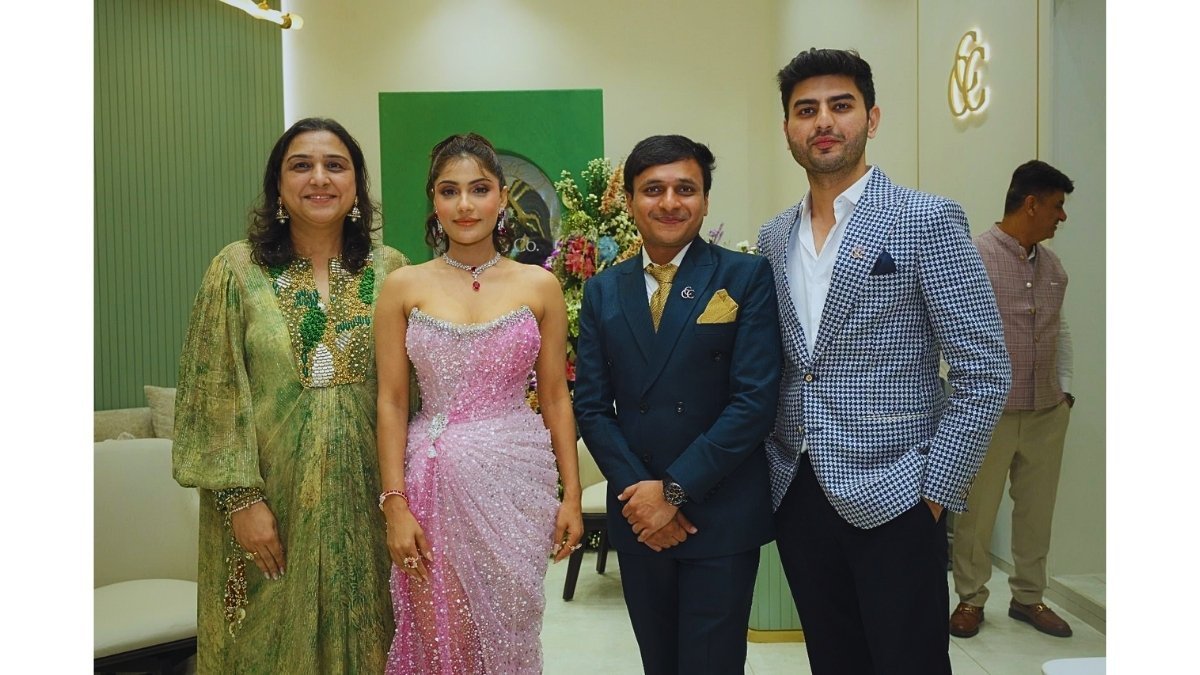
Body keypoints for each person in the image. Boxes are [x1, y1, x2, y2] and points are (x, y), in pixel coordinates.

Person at [756, 49, 1011, 674]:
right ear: (787, 129)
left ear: (871, 118)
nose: (823, 121)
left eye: (840, 106)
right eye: (806, 110)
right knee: (833, 659)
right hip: (799, 488)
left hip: (900, 490)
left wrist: (935, 491)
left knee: (909, 661)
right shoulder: (773, 236)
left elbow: (983, 369)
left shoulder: (926, 219)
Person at [172, 117, 408, 673]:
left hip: (370, 503)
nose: (319, 178)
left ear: (357, 186)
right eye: (301, 166)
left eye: (335, 166)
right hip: (268, 507)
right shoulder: (236, 270)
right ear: (278, 186)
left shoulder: (393, 271)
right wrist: (241, 501)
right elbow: (211, 394)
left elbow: (414, 392)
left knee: (372, 639)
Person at [374, 132, 584, 674]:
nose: (465, 205)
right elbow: (392, 401)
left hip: (516, 480)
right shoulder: (402, 286)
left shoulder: (539, 285)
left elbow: (555, 396)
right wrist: (394, 504)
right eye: (450, 191)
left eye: (480, 189)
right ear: (434, 201)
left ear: (502, 197)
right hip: (431, 482)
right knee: (440, 633)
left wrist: (572, 495)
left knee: (510, 627)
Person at [574, 134, 782, 674]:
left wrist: (672, 492)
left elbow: (754, 401)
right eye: (653, 189)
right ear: (630, 201)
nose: (670, 202)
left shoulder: (744, 276)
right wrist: (642, 499)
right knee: (659, 662)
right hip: (639, 516)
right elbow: (591, 406)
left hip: (718, 511)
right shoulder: (603, 291)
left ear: (706, 200)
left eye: (685, 189)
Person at [949, 160, 1077, 639]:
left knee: (1037, 513)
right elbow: (948, 328)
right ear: (1031, 204)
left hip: (1046, 411)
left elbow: (1060, 329)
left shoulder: (1054, 267)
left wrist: (1065, 390)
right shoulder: (973, 256)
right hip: (988, 413)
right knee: (976, 512)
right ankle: (970, 599)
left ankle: (1028, 597)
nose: (1062, 216)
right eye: (1057, 206)